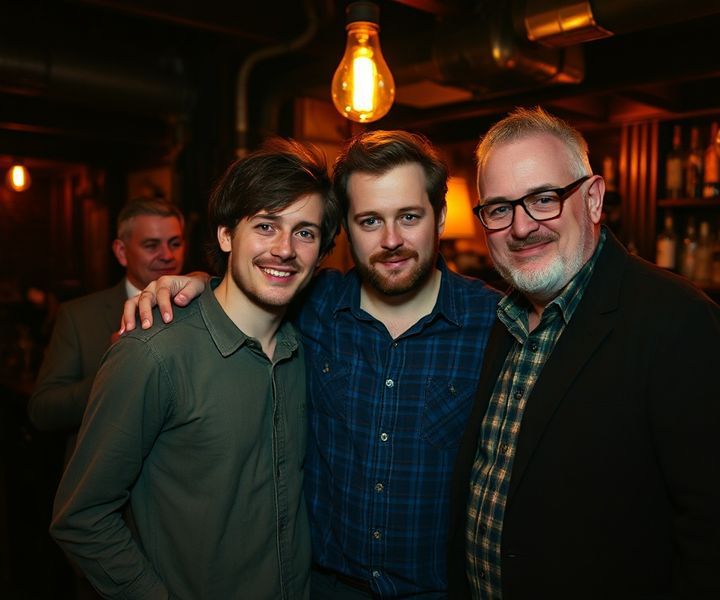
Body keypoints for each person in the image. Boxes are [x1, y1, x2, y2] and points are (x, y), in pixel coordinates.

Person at [121, 130, 502, 598]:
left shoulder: (495, 324)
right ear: (347, 231)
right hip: (322, 588)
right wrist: (194, 283)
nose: (391, 240)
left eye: (409, 217)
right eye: (368, 221)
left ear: (439, 217)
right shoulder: (314, 306)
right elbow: (251, 281)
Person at [446, 107, 720, 598]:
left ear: (594, 199)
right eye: (499, 208)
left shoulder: (679, 322)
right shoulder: (505, 317)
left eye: (544, 199)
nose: (521, 227)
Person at [50, 139, 341, 599]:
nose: (285, 249)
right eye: (266, 226)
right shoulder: (152, 354)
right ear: (226, 235)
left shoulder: (306, 348)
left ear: (320, 250)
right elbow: (81, 517)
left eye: (305, 232)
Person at [29, 197, 185, 461]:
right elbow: (43, 411)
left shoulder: (203, 307)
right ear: (121, 252)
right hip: (108, 483)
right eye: (151, 245)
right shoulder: (79, 316)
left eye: (175, 244)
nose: (168, 256)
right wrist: (111, 372)